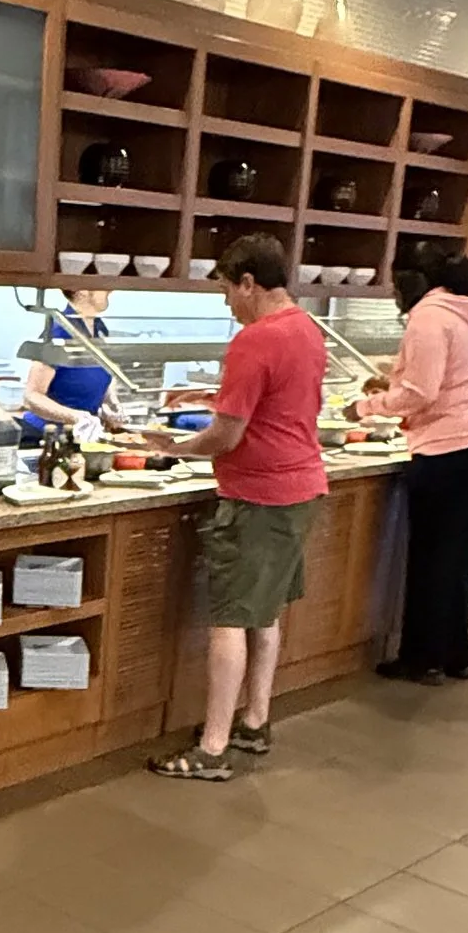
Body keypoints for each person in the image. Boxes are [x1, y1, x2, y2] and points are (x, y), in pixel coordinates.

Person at [150, 232, 329, 781]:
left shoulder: (254, 339)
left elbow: (226, 438)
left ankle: (211, 747)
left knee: (228, 618)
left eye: (228, 289)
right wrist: (208, 398)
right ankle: (254, 720)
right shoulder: (306, 328)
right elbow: (273, 400)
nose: (227, 302)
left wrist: (173, 447)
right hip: (301, 487)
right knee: (265, 611)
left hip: (257, 495)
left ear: (249, 283)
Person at [356, 241, 468, 683]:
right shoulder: (463, 311)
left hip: (454, 447)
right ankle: (454, 655)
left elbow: (421, 392)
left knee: (431, 557)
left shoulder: (428, 316)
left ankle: (421, 659)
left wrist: (366, 407)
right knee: (455, 555)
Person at [18, 277, 126, 443]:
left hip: (80, 438)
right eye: (103, 287)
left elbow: (101, 375)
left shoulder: (99, 329)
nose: (111, 290)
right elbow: (32, 396)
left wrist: (110, 402)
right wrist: (76, 417)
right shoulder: (58, 332)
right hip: (44, 437)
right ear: (81, 290)